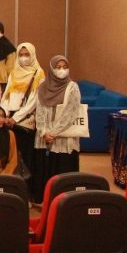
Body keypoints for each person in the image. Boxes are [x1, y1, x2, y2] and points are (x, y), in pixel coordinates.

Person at [1, 42, 45, 200]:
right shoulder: (14, 71)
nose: (24, 57)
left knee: (25, 160)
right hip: (8, 121)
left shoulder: (38, 73)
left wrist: (15, 118)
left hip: (24, 123)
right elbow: (7, 94)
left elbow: (34, 101)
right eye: (21, 54)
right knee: (10, 158)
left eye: (27, 54)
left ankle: (25, 195)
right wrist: (3, 114)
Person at [32, 55, 82, 187]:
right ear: (51, 69)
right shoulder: (43, 87)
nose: (62, 70)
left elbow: (70, 114)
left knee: (63, 174)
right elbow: (40, 111)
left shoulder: (73, 87)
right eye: (58, 67)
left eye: (65, 67)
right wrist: (44, 132)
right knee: (45, 172)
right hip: (45, 138)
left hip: (63, 138)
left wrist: (53, 133)